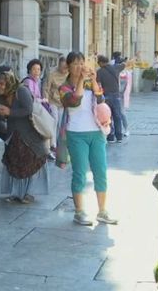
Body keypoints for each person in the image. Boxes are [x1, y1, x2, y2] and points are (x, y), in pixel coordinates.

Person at [60, 51, 117, 226]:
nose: (79, 67)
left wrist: (92, 80)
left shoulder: (90, 83)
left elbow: (101, 100)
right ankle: (79, 211)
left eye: (81, 63)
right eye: (75, 63)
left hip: (96, 133)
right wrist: (80, 81)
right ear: (68, 66)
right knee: (80, 173)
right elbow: (75, 100)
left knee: (101, 172)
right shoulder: (64, 88)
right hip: (76, 134)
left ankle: (102, 211)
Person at [0, 71, 50, 204]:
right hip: (12, 135)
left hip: (28, 134)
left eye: (2, 84)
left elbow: (28, 109)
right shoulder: (1, 96)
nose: (0, 87)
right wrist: (0, 114)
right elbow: (0, 117)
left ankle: (29, 193)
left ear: (9, 82)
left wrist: (10, 112)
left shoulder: (21, 91)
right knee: (14, 163)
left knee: (30, 162)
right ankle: (16, 193)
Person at [96, 55, 126, 143]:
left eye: (98, 62)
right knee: (117, 116)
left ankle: (110, 136)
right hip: (116, 95)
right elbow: (124, 64)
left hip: (107, 96)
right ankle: (119, 136)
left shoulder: (100, 72)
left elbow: (98, 84)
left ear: (101, 62)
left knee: (108, 116)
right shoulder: (115, 68)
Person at [43, 57, 68, 137]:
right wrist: (46, 100)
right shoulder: (52, 73)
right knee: (54, 120)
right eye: (62, 67)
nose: (64, 70)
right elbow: (46, 88)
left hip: (62, 102)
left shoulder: (69, 74)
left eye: (66, 68)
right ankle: (53, 142)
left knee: (60, 123)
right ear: (59, 65)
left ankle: (56, 141)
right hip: (52, 100)